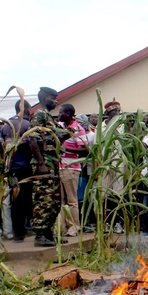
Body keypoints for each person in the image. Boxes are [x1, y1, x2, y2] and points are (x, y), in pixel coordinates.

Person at [29, 87, 67, 247]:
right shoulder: (39, 115)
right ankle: (40, 234)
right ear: (44, 98)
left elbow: (49, 138)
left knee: (54, 200)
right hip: (44, 163)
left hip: (52, 161)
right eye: (53, 98)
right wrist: (41, 163)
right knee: (44, 198)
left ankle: (48, 233)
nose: (56, 101)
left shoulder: (48, 116)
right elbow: (33, 139)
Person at [0, 99, 33, 243]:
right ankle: (24, 229)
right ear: (25, 109)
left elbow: (3, 145)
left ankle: (18, 232)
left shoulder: (6, 125)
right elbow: (33, 144)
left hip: (11, 168)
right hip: (25, 167)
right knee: (26, 199)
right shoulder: (27, 124)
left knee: (15, 199)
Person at [58, 103, 88, 237]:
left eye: (61, 113)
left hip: (71, 168)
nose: (59, 115)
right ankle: (61, 228)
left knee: (72, 200)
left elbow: (85, 150)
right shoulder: (59, 127)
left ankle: (74, 227)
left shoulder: (78, 129)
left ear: (68, 114)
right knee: (59, 200)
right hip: (58, 167)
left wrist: (67, 149)